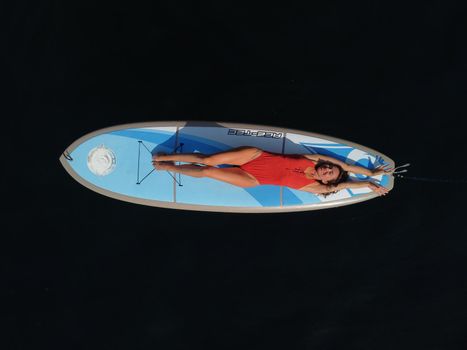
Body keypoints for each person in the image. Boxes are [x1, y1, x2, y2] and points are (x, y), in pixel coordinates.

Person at [152, 146, 392, 196]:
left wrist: (366, 185)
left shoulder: (314, 187)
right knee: (209, 160)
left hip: (253, 178)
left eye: (329, 174)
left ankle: (169, 167)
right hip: (256, 156)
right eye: (330, 167)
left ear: (326, 182)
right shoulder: (314, 159)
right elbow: (348, 168)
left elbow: (345, 184)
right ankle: (167, 156)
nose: (328, 169)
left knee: (206, 172)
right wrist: (370, 173)